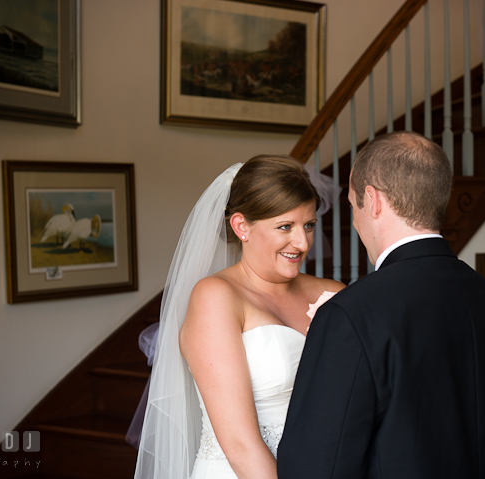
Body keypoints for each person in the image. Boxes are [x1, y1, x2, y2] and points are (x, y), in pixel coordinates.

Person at [277, 131, 485, 479]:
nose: (354, 219)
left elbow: (315, 467)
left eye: (352, 205)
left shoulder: (350, 314)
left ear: (373, 200)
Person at [133, 155, 344, 479]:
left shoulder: (333, 293)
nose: (302, 243)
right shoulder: (215, 298)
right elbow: (240, 445)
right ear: (241, 226)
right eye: (285, 226)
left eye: (309, 225)